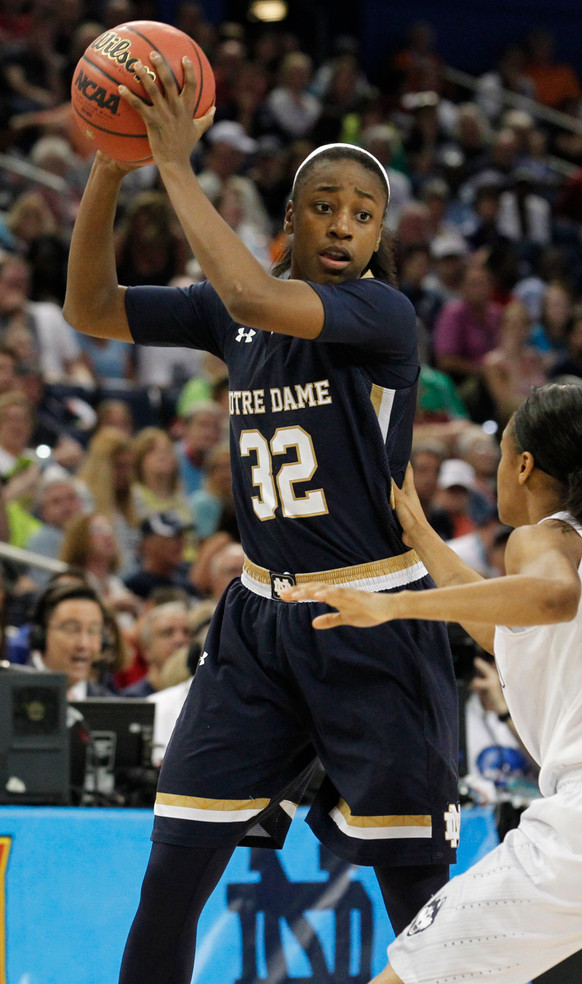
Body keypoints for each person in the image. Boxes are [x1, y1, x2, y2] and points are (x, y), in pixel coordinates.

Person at [62, 52, 458, 983]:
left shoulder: (380, 315)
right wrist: (110, 167)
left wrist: (174, 165)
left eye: (364, 215)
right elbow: (89, 307)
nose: (344, 226)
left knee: (421, 906)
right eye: (326, 206)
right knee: (171, 875)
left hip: (375, 622)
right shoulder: (227, 319)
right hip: (257, 626)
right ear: (291, 218)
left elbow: (249, 290)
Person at [282, 383, 582, 984]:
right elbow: (507, 630)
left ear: (524, 464)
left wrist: (390, 609)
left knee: (411, 973)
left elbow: (551, 595)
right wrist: (425, 540)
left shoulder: (541, 538)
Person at [28, 579, 113, 700]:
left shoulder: (110, 708)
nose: (84, 644)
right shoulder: (7, 699)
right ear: (41, 634)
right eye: (72, 629)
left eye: (93, 631)